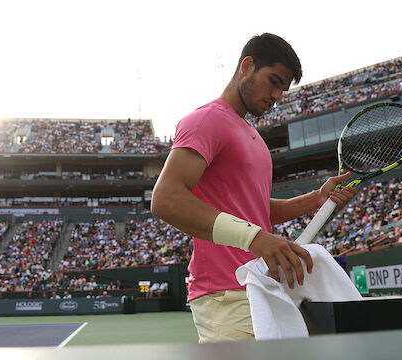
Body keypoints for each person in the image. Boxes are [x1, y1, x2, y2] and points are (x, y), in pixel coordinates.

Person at [151, 33, 357, 343]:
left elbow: (255, 209)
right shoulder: (206, 120)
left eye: (282, 89)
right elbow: (165, 199)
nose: (276, 95)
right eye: (273, 81)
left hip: (263, 286)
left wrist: (315, 199)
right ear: (247, 66)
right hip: (225, 294)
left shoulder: (252, 135)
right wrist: (255, 238)